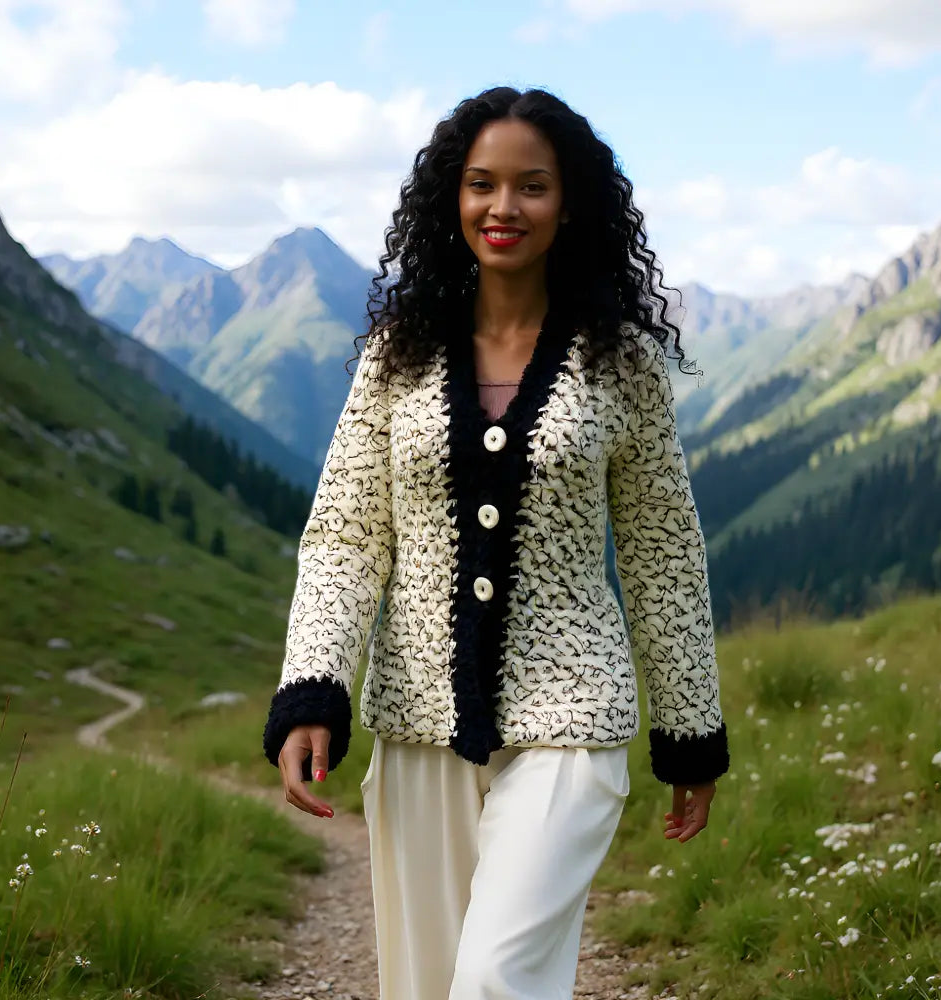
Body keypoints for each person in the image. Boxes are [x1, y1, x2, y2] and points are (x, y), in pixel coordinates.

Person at [262, 85, 730, 1000]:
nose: (503, 207)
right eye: (482, 184)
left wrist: (690, 736)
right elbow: (347, 538)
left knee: (493, 980)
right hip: (417, 722)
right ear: (453, 197)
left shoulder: (619, 364)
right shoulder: (400, 352)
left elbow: (663, 553)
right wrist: (314, 687)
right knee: (427, 984)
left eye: (532, 186)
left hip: (573, 720)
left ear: (571, 201)